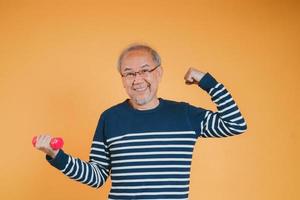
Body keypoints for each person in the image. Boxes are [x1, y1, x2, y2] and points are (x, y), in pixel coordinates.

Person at [35, 44, 247, 200]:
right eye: (129, 73)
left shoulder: (185, 115)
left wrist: (207, 82)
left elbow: (235, 123)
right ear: (122, 79)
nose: (137, 80)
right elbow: (97, 177)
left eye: (145, 70)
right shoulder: (109, 118)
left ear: (159, 73)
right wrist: (57, 156)